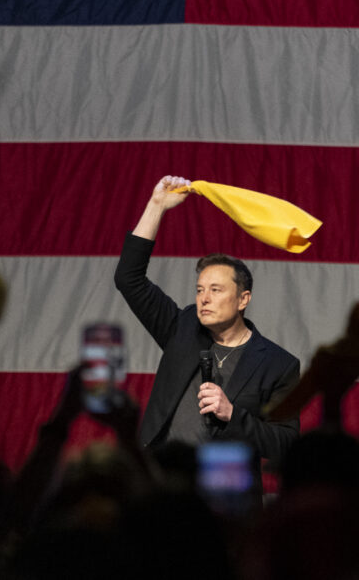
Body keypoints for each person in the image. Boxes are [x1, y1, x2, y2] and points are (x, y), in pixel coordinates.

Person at [114, 175, 300, 471]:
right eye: (200, 289)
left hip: (225, 496)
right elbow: (129, 278)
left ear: (243, 299)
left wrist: (232, 414)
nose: (204, 298)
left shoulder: (279, 365)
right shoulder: (182, 328)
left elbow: (285, 443)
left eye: (216, 290)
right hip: (161, 484)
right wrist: (157, 205)